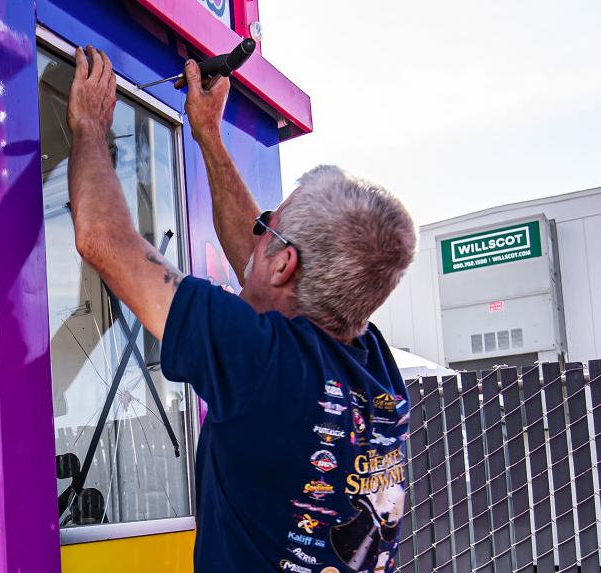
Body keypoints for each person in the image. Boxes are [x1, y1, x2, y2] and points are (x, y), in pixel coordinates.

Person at [67, 46, 417, 573]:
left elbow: (104, 240)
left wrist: (91, 125)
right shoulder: (370, 362)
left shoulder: (262, 365)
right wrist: (208, 135)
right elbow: (262, 263)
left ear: (284, 264)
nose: (258, 229)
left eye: (268, 224)